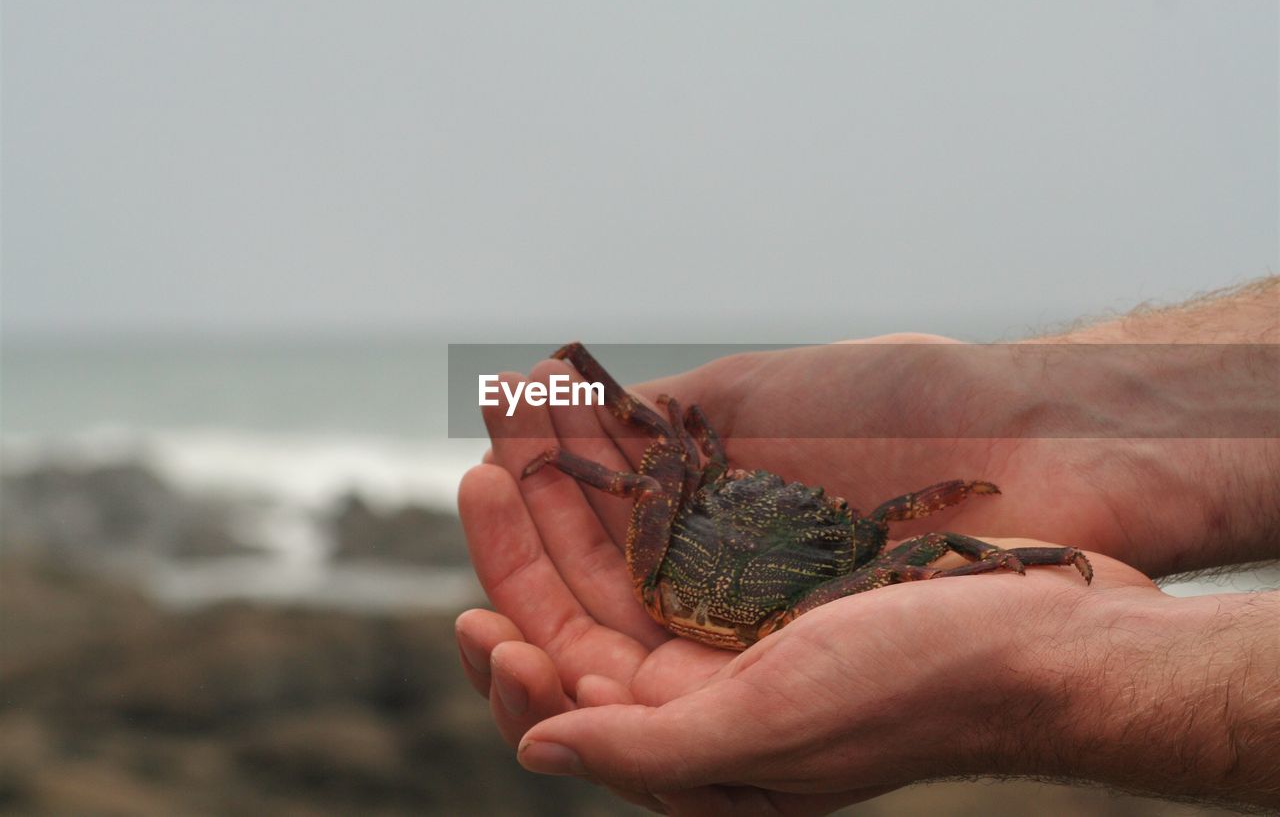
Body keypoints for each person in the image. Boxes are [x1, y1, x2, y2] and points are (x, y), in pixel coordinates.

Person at [455, 278, 1279, 815]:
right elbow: (927, 543)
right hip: (778, 617)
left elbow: (651, 475)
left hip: (664, 590)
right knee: (916, 543)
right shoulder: (855, 539)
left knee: (660, 464)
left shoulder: (689, 489)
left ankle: (579, 382)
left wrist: (573, 456)